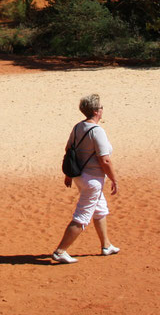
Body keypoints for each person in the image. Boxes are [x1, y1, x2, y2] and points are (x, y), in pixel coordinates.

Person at [51, 93, 120, 264]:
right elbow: (104, 159)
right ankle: (60, 251)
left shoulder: (77, 127)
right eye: (101, 107)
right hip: (92, 181)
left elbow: (69, 151)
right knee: (82, 216)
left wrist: (68, 175)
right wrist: (114, 179)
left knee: (100, 209)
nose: (102, 109)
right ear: (97, 111)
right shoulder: (97, 132)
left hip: (80, 177)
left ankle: (106, 245)